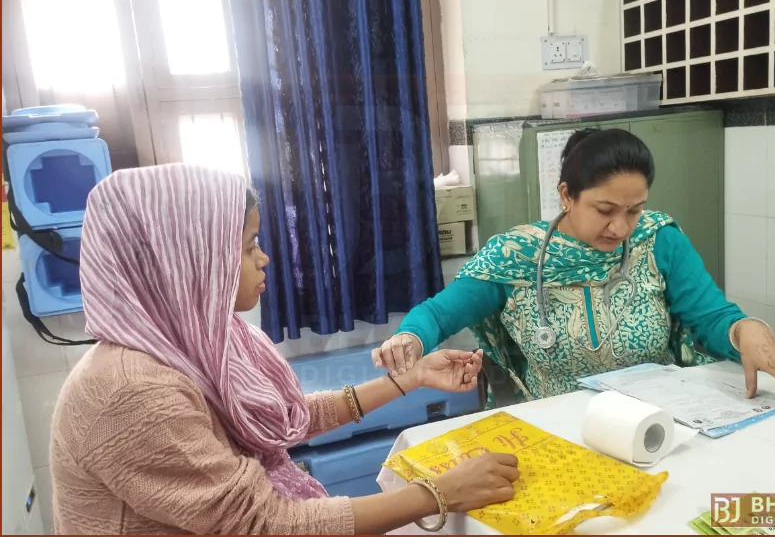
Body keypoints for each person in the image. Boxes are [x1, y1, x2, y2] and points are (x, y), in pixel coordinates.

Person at [50, 164, 519, 535]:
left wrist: (409, 379)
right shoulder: (134, 393)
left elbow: (282, 419)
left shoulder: (205, 340)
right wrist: (438, 493)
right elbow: (262, 524)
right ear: (186, 259)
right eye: (249, 244)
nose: (264, 258)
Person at [372, 128, 775, 408]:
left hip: (660, 417)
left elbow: (711, 316)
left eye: (634, 210)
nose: (620, 227)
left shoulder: (659, 240)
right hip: (559, 427)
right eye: (605, 209)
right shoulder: (518, 256)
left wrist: (745, 331)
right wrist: (410, 337)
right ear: (567, 195)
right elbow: (439, 313)